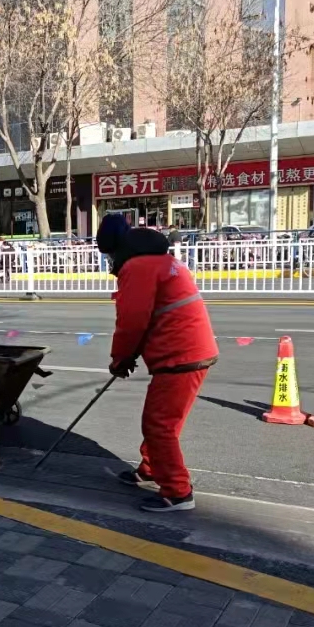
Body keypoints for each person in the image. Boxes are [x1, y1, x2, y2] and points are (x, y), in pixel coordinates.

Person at [96, 213, 218, 512]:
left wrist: (120, 359)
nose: (110, 262)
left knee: (158, 424)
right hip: (191, 349)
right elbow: (150, 316)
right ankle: (151, 469)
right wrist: (128, 355)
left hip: (179, 353)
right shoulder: (160, 260)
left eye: (109, 255)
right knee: (164, 421)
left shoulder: (137, 267)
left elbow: (132, 321)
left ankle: (177, 492)